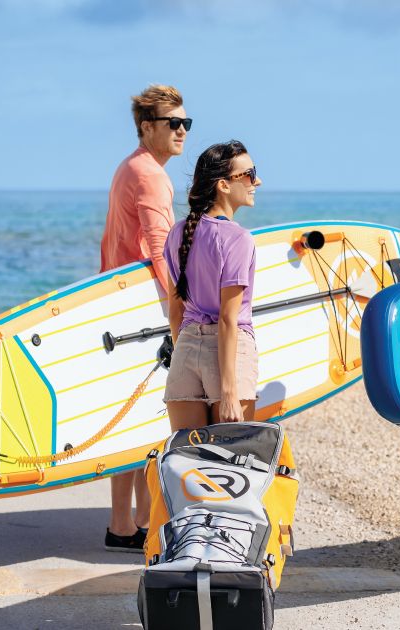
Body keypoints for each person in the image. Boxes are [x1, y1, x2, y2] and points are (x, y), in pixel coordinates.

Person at [99, 84, 189, 552]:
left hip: (120, 302)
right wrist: (181, 307)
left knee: (132, 416)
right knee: (147, 418)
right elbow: (159, 248)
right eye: (173, 123)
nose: (181, 132)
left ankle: (127, 522)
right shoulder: (150, 175)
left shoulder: (130, 167)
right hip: (140, 307)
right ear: (146, 127)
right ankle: (130, 522)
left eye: (186, 124)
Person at [162, 141, 261, 431]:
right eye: (249, 173)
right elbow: (228, 319)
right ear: (224, 185)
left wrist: (186, 353)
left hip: (186, 350)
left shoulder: (178, 233)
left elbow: (175, 312)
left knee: (188, 464)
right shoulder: (237, 238)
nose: (257, 181)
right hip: (228, 355)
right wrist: (229, 392)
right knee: (231, 466)